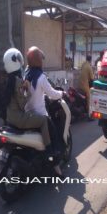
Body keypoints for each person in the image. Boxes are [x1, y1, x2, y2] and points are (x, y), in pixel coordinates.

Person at [24, 46, 66, 177]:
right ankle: (56, 166)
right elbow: (52, 94)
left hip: (27, 115)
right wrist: (62, 93)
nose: (42, 61)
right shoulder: (41, 77)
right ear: (38, 60)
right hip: (41, 116)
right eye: (40, 59)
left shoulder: (25, 73)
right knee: (55, 139)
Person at [3, 48, 53, 157]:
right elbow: (22, 104)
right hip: (19, 119)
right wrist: (28, 89)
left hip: (9, 118)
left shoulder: (8, 81)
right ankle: (49, 151)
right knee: (44, 120)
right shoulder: (18, 82)